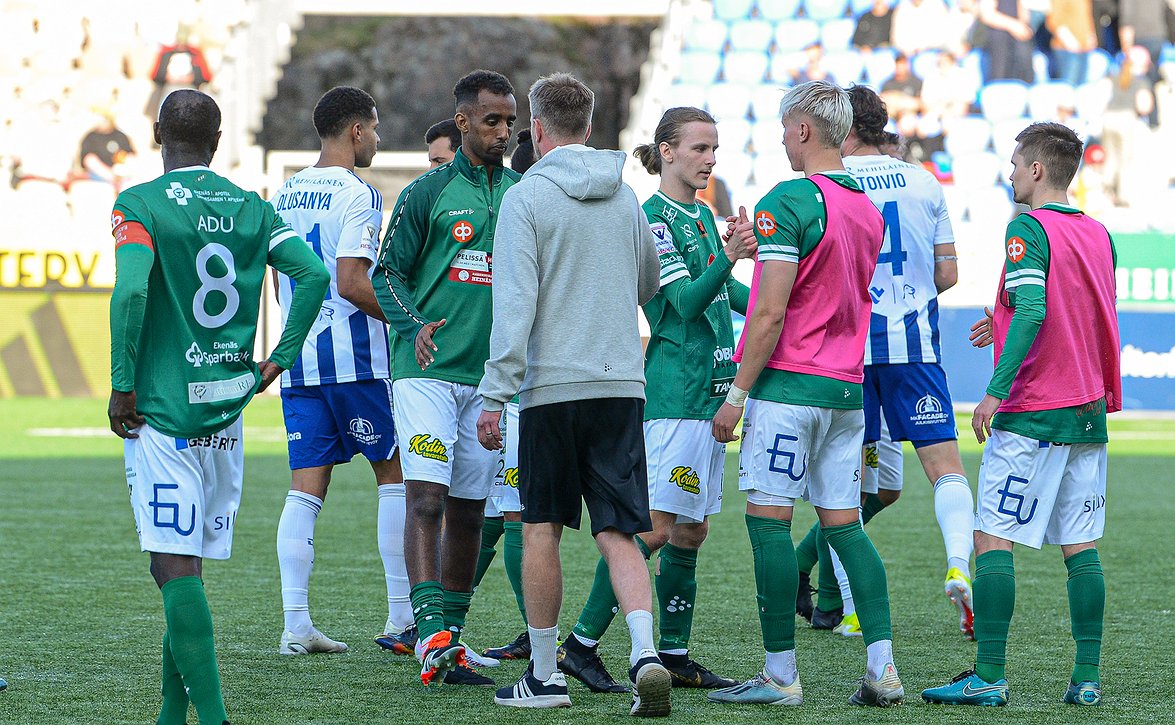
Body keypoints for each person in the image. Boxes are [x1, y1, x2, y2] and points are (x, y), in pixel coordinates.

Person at [108, 89, 329, 725]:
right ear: (219, 137)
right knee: (182, 567)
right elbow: (312, 275)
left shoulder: (140, 204)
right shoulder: (254, 208)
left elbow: (129, 293)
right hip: (224, 409)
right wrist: (279, 356)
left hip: (162, 411)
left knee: (172, 567)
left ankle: (214, 718)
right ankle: (170, 715)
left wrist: (123, 384)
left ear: (157, 134)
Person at [474, 72, 668, 716]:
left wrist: (494, 394)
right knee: (620, 531)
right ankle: (644, 654)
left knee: (541, 529)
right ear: (589, 126)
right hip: (620, 384)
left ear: (535, 129)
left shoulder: (524, 200)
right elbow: (648, 284)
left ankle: (545, 676)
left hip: (551, 387)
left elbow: (516, 305)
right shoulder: (626, 197)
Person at [708, 80, 902, 708]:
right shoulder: (868, 209)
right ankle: (883, 670)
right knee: (845, 528)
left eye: (783, 127)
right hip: (847, 390)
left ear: (801, 130)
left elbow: (768, 313)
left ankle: (780, 675)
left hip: (790, 386)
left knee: (768, 524)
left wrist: (737, 393)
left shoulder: (787, 199)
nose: (781, 139)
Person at [922, 121, 1120, 708]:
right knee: (1080, 546)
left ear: (1036, 170)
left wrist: (994, 391)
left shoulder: (1025, 229)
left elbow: (1035, 309)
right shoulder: (1099, 233)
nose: (1009, 173)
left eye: (1014, 163)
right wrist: (1002, 321)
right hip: (1087, 410)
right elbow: (1072, 310)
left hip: (1035, 408)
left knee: (992, 538)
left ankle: (989, 676)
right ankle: (1086, 679)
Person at [559, 106, 755, 695]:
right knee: (656, 527)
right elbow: (685, 305)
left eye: (714, 148)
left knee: (691, 531)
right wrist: (729, 256)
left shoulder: (699, 214)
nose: (710, 159)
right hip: (674, 394)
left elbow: (725, 301)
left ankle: (673, 654)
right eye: (699, 148)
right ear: (666, 152)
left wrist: (783, 303)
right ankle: (580, 645)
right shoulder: (650, 221)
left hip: (711, 392)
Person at [797, 85, 976, 640]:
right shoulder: (924, 182)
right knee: (943, 469)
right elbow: (947, 275)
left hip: (848, 350)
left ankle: (850, 612)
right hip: (914, 349)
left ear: (842, 127)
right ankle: (958, 563)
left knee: (847, 487)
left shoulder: (826, 184)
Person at [372, 69, 519, 688]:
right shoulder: (426, 192)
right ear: (463, 121)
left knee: (468, 509)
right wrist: (413, 327)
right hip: (427, 374)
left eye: (511, 121)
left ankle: (450, 642)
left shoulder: (522, 193)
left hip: (490, 381)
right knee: (426, 497)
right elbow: (386, 274)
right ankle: (429, 632)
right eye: (492, 120)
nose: (504, 132)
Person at [268, 86, 409, 658]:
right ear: (356, 131)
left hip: (301, 361)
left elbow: (282, 285)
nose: (377, 140)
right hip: (360, 362)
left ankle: (296, 622)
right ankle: (403, 616)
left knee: (305, 491)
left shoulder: (282, 194)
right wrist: (409, 320)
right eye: (374, 129)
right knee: (395, 477)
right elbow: (352, 281)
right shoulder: (360, 193)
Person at [475, 125, 538, 664]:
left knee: (507, 509)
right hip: (515, 386)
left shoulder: (520, 210)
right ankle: (437, 619)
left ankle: (435, 618)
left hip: (516, 386)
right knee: (503, 510)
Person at [78, 109, 136, 190]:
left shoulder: (120, 135)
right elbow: (87, 160)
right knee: (91, 159)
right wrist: (111, 175)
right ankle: (115, 180)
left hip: (121, 171)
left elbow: (130, 154)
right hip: (99, 175)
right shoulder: (90, 137)